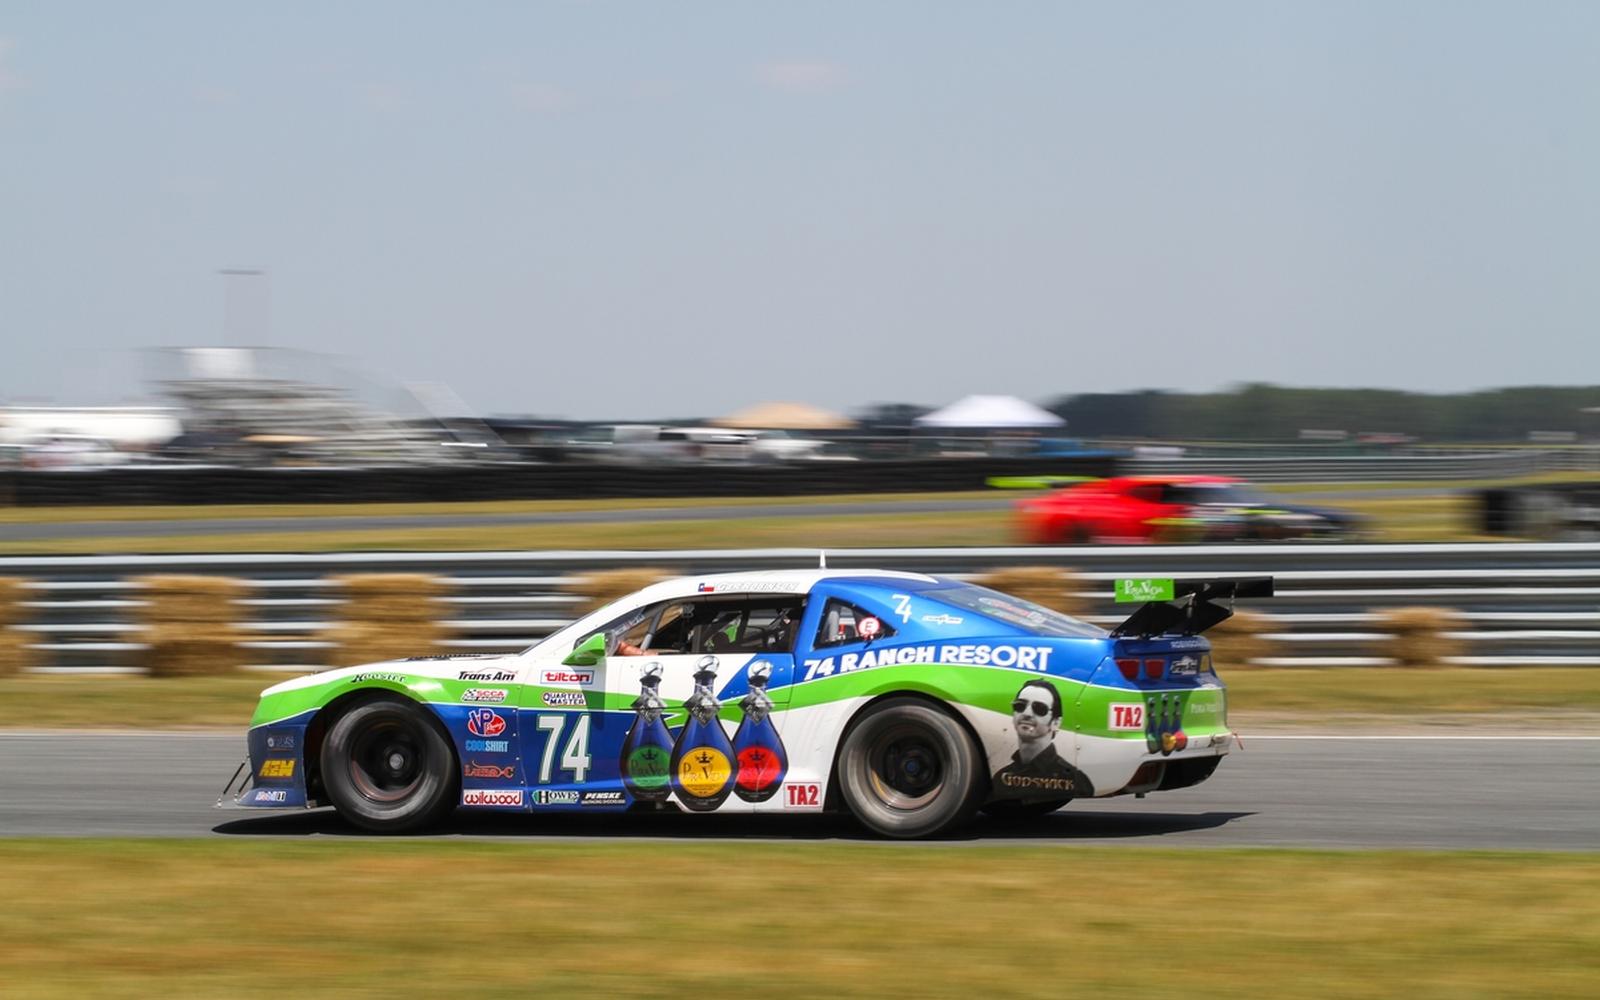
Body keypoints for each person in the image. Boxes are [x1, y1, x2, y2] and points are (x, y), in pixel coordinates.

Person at [992, 679, 1093, 800]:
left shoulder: (1076, 780)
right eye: (1020, 705)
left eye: (1039, 708)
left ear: (1056, 723)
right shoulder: (1000, 778)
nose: (1027, 713)